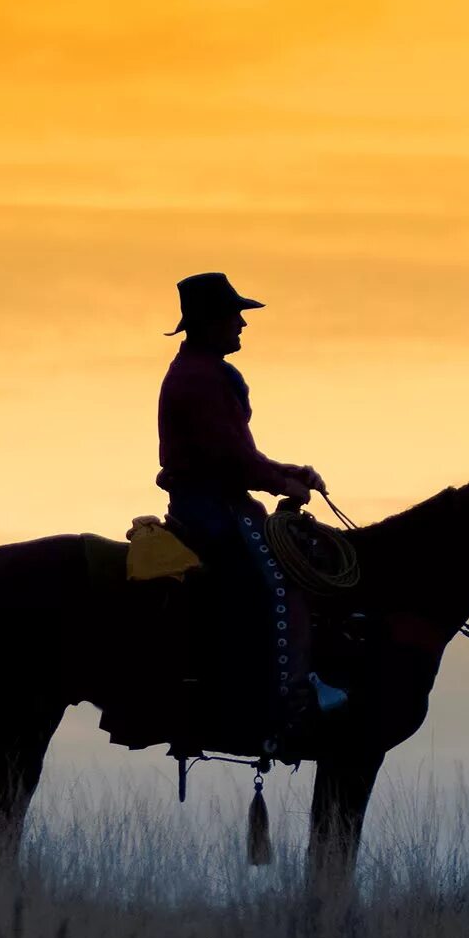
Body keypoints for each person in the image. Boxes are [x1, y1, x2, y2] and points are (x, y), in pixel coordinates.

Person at [157, 272, 344, 751]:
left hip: (218, 501)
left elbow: (240, 455)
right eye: (233, 315)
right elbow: (232, 460)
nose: (242, 323)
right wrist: (283, 482)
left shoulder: (202, 372)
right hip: (212, 509)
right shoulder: (202, 379)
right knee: (284, 579)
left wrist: (289, 472)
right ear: (209, 323)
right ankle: (290, 704)